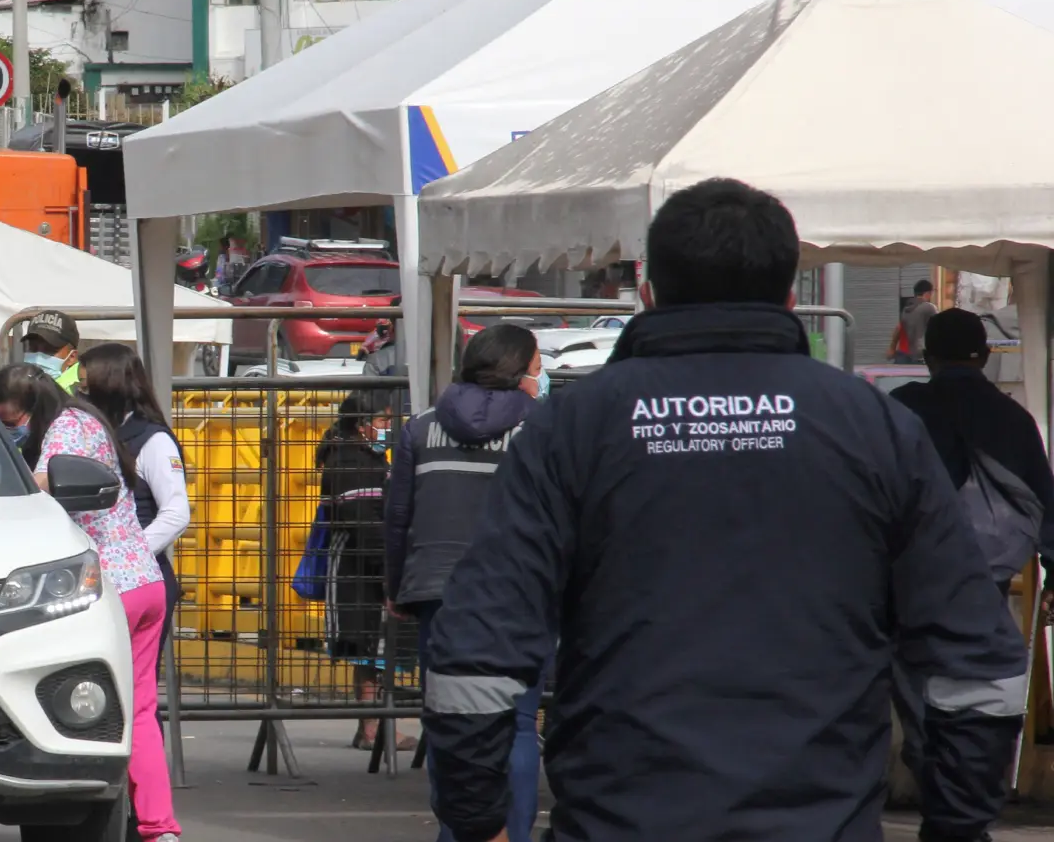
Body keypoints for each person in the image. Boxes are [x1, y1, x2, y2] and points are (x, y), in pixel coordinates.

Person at [421, 177, 1027, 842]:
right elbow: (976, 655)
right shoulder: (873, 428)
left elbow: (477, 648)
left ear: (648, 292)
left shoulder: (574, 425)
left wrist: (476, 820)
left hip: (619, 819)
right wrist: (957, 823)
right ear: (793, 296)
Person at [0, 364, 180, 842]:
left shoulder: (67, 428)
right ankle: (159, 827)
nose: (13, 429)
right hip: (145, 579)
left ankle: (122, 818)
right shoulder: (89, 419)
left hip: (113, 587)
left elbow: (43, 486)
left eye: (12, 421)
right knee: (139, 712)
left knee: (99, 711)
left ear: (31, 407)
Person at [888, 306, 1054, 790]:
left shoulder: (902, 407)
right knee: (978, 675)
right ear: (984, 356)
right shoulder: (1013, 418)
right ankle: (965, 779)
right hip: (988, 569)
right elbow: (1045, 498)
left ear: (927, 356)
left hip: (910, 569)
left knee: (912, 666)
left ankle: (928, 761)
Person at [384, 324, 543, 828]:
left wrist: (395, 586)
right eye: (538, 365)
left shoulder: (421, 427)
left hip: (437, 590)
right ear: (519, 370)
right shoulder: (545, 426)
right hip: (519, 592)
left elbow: (398, 514)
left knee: (449, 724)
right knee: (518, 724)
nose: (541, 374)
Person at [310, 388, 414, 752]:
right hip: (360, 568)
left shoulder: (362, 457)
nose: (387, 427)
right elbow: (364, 525)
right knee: (371, 647)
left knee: (374, 648)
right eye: (383, 421)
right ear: (362, 424)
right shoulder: (351, 462)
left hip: (365, 564)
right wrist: (389, 574)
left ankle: (372, 725)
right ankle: (374, 728)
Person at [80, 343, 191, 677]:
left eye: (86, 386)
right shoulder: (91, 432)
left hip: (136, 579)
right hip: (92, 579)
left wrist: (126, 556)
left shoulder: (152, 440)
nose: (79, 393)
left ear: (109, 386)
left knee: (134, 688)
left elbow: (175, 513)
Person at [21, 310, 81, 391]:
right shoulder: (18, 387)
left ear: (72, 357)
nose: (38, 358)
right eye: (33, 348)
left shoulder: (81, 393)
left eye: (49, 349)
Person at [891, 278, 938, 363]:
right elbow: (940, 327)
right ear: (928, 293)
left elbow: (898, 329)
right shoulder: (929, 307)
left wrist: (892, 348)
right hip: (920, 355)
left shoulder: (906, 309)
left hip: (903, 353)